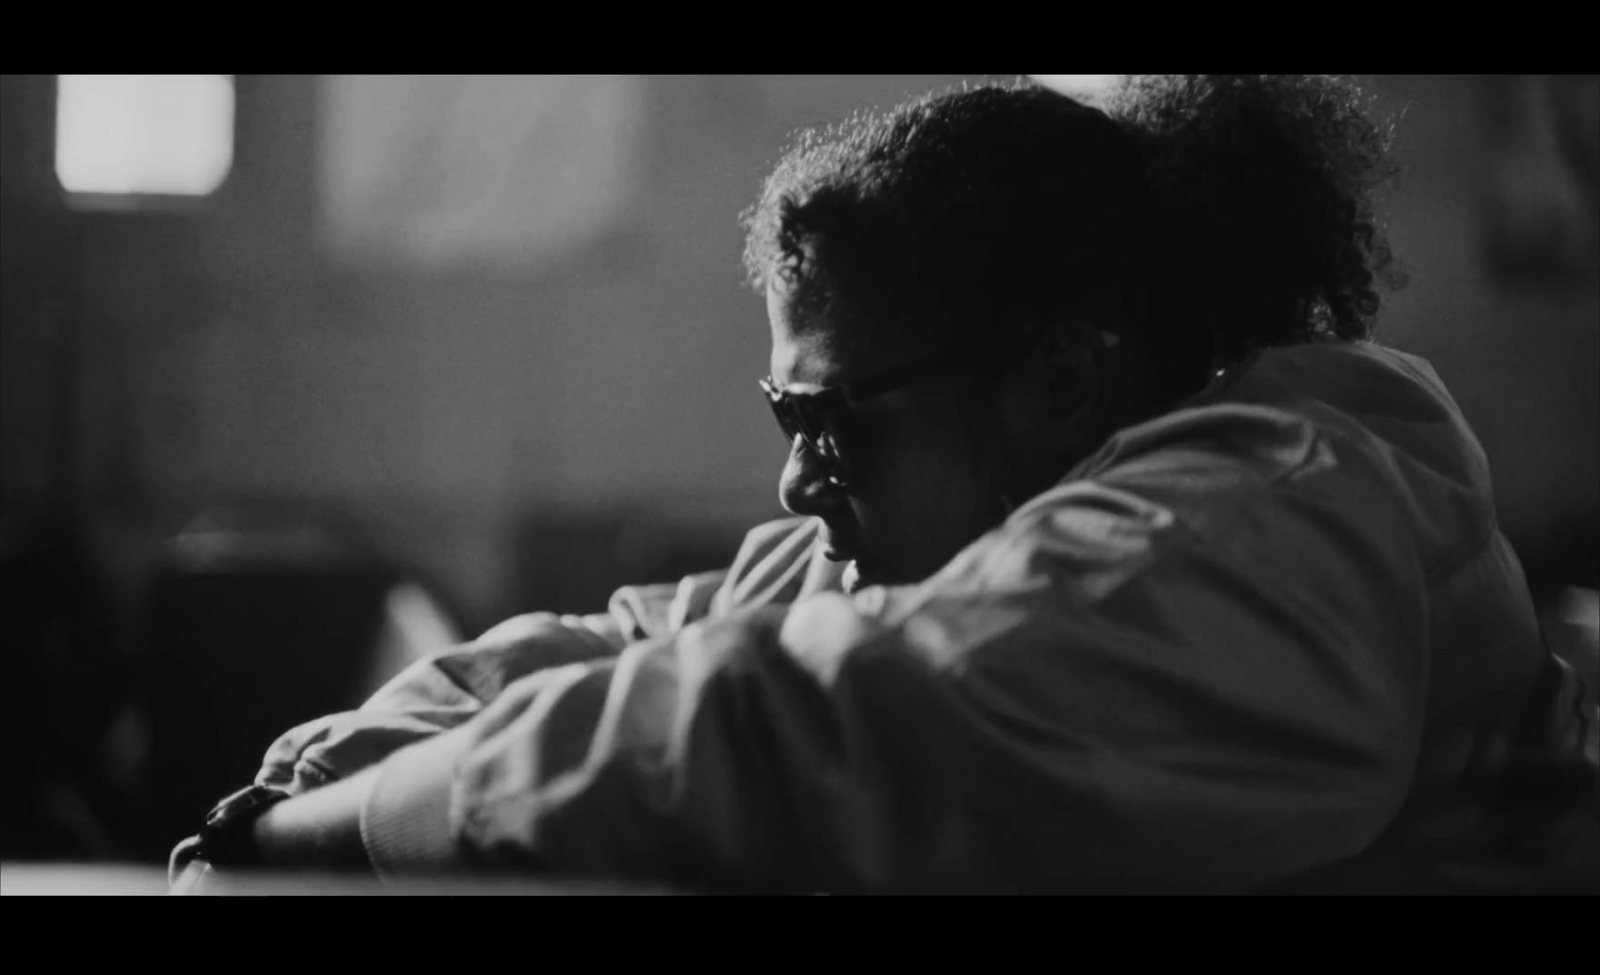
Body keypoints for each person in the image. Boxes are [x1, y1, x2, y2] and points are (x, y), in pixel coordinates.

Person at [170, 75, 1599, 894]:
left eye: (833, 416)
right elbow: (615, 647)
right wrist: (298, 788)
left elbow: (809, 720)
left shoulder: (1285, 521)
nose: (796, 481)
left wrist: (322, 837)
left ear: (1058, 382)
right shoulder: (943, 537)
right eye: (785, 413)